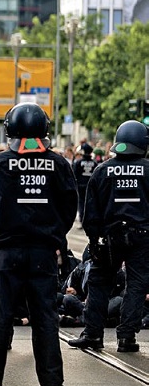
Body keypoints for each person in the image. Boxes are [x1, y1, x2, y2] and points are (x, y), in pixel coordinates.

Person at [0, 103, 77, 386]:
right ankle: (53, 383)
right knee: (45, 320)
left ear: (10, 129)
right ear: (45, 130)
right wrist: (54, 235)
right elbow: (69, 207)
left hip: (6, 252)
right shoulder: (58, 164)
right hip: (43, 254)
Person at [69, 120, 149, 353]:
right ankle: (126, 337)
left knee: (99, 283)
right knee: (136, 285)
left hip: (108, 238)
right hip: (142, 237)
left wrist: (95, 240)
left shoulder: (102, 170)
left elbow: (90, 211)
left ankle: (93, 334)